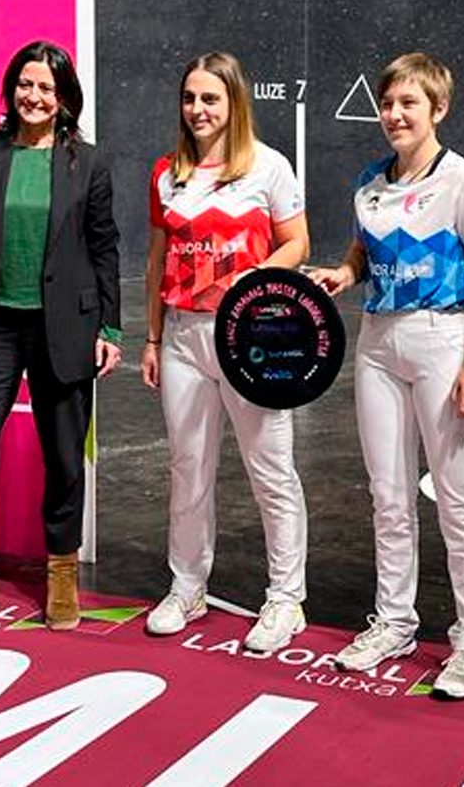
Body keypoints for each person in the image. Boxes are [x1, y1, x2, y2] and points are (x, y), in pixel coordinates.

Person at [311, 52, 464, 699]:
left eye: (409, 104)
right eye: (388, 103)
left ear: (438, 109)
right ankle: (394, 621)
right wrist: (343, 273)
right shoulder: (369, 181)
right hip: (378, 343)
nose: (395, 114)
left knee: (457, 498)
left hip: (444, 340)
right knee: (388, 495)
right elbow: (364, 252)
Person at [0, 40, 122, 656]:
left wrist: (110, 329)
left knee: (65, 454)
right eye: (25, 85)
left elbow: (104, 248)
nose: (34, 96)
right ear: (11, 90)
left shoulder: (88, 164)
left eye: (47, 88)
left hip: (64, 327)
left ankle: (61, 570)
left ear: (65, 98)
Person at [141, 51, 311, 653]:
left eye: (210, 98)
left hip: (253, 341)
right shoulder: (167, 172)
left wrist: (256, 279)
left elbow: (298, 243)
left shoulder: (269, 168)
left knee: (271, 471)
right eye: (190, 98)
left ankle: (286, 598)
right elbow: (158, 261)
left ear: (234, 102)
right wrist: (155, 336)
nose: (198, 109)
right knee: (188, 470)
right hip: (185, 336)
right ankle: (186, 586)